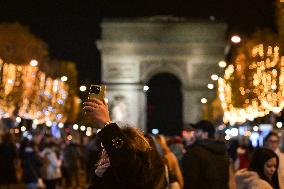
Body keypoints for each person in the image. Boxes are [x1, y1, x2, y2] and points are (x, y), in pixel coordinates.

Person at [83, 98, 168, 189]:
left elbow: (126, 161)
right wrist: (98, 178)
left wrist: (106, 124)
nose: (106, 151)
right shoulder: (104, 172)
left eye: (111, 147)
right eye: (105, 147)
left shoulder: (136, 170)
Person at [182, 120, 229, 189]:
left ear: (206, 134)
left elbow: (190, 181)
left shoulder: (195, 152)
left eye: (197, 131)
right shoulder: (222, 151)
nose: (194, 134)